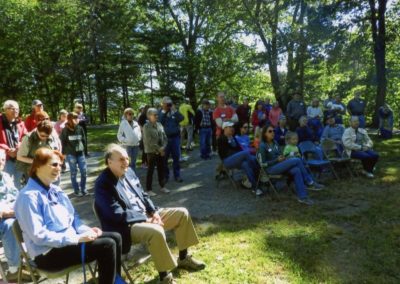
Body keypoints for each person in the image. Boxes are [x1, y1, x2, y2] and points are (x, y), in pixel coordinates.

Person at [94, 144, 205, 284]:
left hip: (146, 215)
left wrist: (153, 212)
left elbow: (143, 195)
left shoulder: (129, 172)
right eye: (121, 159)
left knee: (182, 213)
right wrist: (145, 218)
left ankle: (183, 258)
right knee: (156, 231)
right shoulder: (103, 183)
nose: (126, 162)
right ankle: (165, 277)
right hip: (125, 226)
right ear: (109, 161)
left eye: (127, 158)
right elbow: (115, 214)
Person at [14, 148, 122, 284]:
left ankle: (115, 280)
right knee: (107, 245)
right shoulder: (28, 197)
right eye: (54, 164)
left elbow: (74, 218)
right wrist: (76, 238)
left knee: (116, 237)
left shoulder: (56, 190)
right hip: (47, 254)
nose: (59, 168)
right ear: (38, 166)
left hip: (67, 244)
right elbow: (39, 236)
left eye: (60, 165)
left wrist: (86, 230)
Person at [257, 125, 323, 206]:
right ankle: (309, 182)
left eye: (273, 131)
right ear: (264, 134)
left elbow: (282, 155)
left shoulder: (275, 143)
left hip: (280, 165)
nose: (273, 133)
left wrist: (286, 157)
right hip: (270, 169)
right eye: (270, 131)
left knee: (296, 170)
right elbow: (262, 164)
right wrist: (276, 160)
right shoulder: (262, 146)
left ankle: (303, 197)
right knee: (297, 160)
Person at [0, 149, 31, 282]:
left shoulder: (5, 176)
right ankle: (13, 270)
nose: (0, 163)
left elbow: (15, 196)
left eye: (2, 160)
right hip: (2, 217)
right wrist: (4, 212)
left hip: (11, 212)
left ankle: (32, 260)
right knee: (10, 225)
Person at [217, 121, 262, 196]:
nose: (232, 129)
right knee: (246, 154)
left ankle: (255, 187)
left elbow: (239, 149)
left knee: (246, 164)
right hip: (227, 161)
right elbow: (224, 153)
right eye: (230, 127)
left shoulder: (233, 137)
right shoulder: (221, 138)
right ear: (224, 128)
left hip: (236, 159)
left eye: (232, 127)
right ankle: (258, 170)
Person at [16, 120, 62, 185]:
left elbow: (58, 145)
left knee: (55, 186)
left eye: (47, 136)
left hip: (50, 168)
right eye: (42, 136)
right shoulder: (28, 138)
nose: (45, 138)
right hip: (33, 171)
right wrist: (37, 162)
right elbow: (19, 157)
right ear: (37, 130)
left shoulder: (52, 134)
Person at [0, 100, 27, 188]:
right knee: (6, 185)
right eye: (12, 108)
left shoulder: (20, 123)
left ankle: (18, 201)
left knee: (18, 184)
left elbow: (25, 137)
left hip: (19, 158)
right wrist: (7, 150)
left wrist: (19, 145)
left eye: (17, 109)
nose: (16, 110)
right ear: (5, 109)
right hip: (5, 160)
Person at [60, 112, 88, 196]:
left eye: (77, 118)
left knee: (84, 171)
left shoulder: (80, 128)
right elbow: (62, 142)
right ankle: (76, 190)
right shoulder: (65, 130)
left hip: (80, 153)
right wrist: (64, 153)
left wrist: (85, 151)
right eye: (75, 118)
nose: (77, 119)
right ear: (70, 120)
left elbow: (84, 140)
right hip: (71, 154)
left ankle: (83, 189)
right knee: (73, 172)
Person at [143, 108, 169, 196]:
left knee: (161, 169)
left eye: (157, 114)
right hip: (151, 151)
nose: (157, 116)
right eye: (155, 115)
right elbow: (149, 141)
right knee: (150, 170)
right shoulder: (146, 127)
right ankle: (148, 189)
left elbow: (165, 137)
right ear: (149, 116)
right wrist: (159, 149)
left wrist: (163, 147)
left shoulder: (159, 124)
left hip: (161, 150)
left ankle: (162, 186)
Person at [158, 96, 184, 183]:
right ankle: (166, 176)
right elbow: (160, 122)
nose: (169, 105)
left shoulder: (174, 112)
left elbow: (181, 118)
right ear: (163, 104)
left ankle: (177, 175)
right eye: (167, 104)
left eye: (170, 103)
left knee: (176, 157)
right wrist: (165, 112)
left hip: (175, 138)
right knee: (164, 158)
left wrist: (175, 110)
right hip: (165, 139)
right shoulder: (160, 112)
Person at [117, 108, 142, 172]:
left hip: (136, 146)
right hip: (127, 146)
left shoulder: (136, 123)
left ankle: (133, 176)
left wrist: (139, 138)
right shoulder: (123, 123)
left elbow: (139, 133)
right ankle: (127, 177)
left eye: (133, 114)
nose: (131, 115)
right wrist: (126, 140)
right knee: (127, 163)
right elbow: (119, 135)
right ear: (126, 115)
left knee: (133, 162)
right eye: (130, 114)